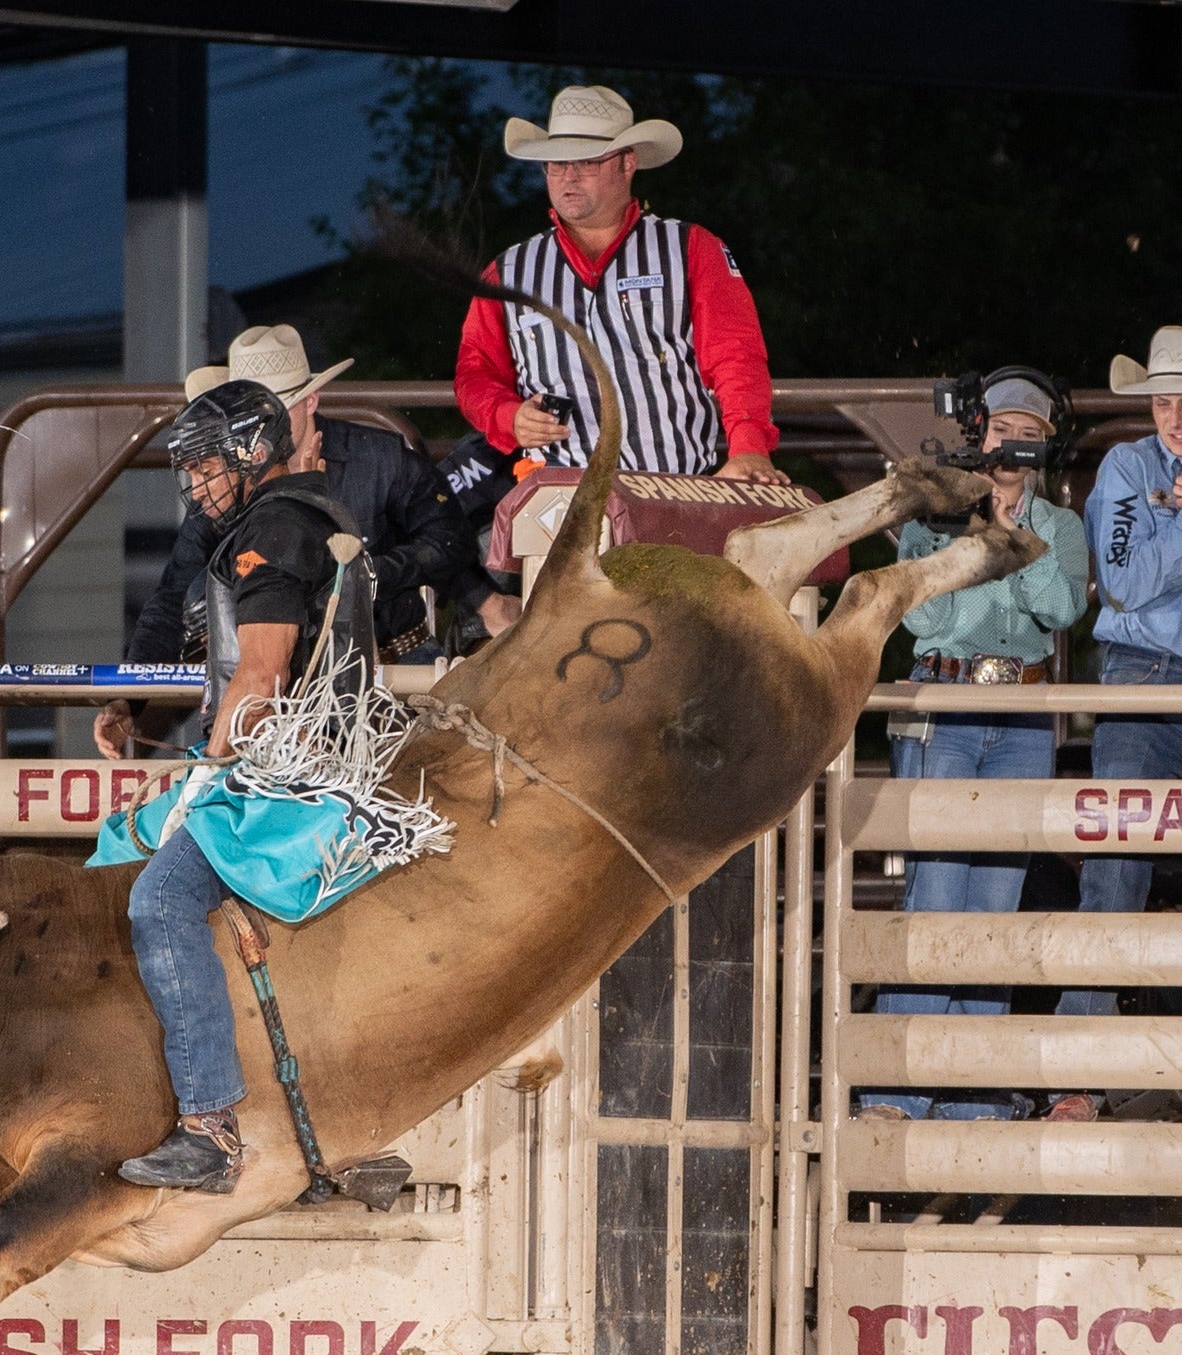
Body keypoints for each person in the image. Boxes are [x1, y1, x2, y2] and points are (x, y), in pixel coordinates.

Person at [118, 380, 373, 1192]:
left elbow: (261, 674)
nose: (194, 484)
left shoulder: (271, 528)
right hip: (313, 762)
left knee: (157, 899)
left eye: (204, 465)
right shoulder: (304, 515)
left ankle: (210, 1129)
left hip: (288, 775)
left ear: (252, 452)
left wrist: (204, 775)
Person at [859, 372, 1088, 1122]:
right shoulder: (940, 515)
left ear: (1042, 445)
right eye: (1002, 432)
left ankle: (965, 1093)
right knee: (935, 894)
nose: (1011, 447)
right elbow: (923, 622)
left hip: (1018, 711)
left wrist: (1008, 532)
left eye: (1026, 435)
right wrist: (985, 527)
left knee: (994, 903)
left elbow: (1056, 610)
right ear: (981, 433)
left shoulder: (1061, 525)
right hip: (946, 700)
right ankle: (898, 1089)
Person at [98, 325, 496, 757]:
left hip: (392, 664)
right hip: (287, 686)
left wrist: (364, 577)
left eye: (272, 411)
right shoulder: (229, 486)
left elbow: (450, 539)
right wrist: (130, 694)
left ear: (311, 401)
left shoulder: (378, 458)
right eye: (248, 417)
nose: (259, 433)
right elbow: (173, 595)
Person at [455, 84, 784, 485]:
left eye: (587, 162)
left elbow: (736, 356)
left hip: (673, 486)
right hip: (557, 494)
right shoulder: (507, 271)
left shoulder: (691, 248)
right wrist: (509, 416)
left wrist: (749, 447)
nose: (568, 178)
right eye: (556, 165)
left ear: (628, 163)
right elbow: (475, 372)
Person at [1052, 326, 1182, 1120]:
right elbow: (1127, 585)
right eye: (1166, 399)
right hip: (1142, 681)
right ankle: (1080, 1073)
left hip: (1146, 679)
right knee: (1114, 868)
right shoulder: (1130, 466)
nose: (1176, 415)